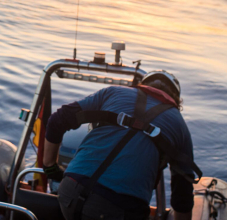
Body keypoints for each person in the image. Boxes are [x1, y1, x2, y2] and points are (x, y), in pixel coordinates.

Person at [42, 71, 199, 220]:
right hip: (120, 209)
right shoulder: (180, 125)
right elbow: (182, 195)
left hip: (70, 192)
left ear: (142, 85)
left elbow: (57, 120)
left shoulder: (112, 92)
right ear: (176, 101)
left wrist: (50, 167)